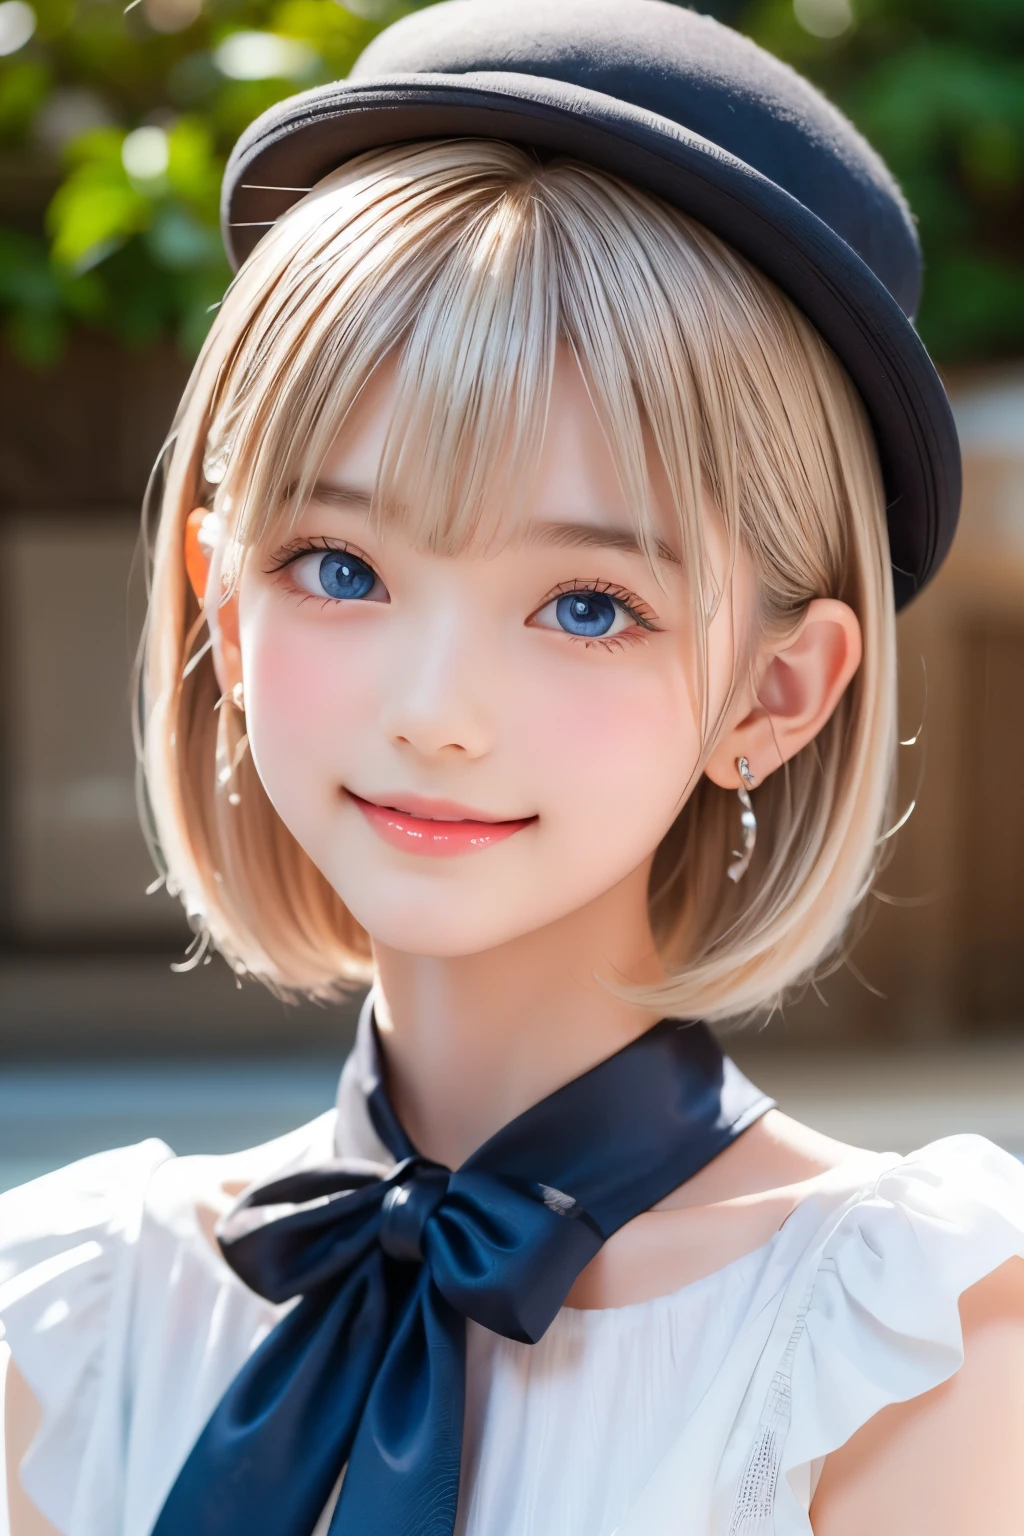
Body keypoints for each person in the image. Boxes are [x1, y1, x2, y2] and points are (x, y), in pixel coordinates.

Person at [3, 2, 1023, 1532]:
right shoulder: (68, 1319)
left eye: (587, 606)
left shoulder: (911, 1342)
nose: (437, 712)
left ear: (779, 692)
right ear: (221, 598)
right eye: (339, 568)